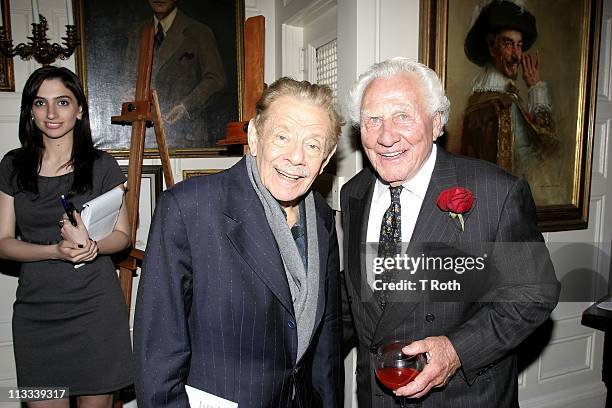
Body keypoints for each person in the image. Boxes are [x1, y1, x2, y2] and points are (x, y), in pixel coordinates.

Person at [341, 57, 560, 407]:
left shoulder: (496, 192)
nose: (386, 136)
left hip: (461, 397)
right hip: (375, 395)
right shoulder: (354, 193)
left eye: (403, 116)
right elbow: (361, 293)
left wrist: (456, 350)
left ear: (437, 122)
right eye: (373, 119)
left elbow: (533, 294)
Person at [134, 77, 344, 407]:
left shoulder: (322, 217)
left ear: (327, 157)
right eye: (282, 136)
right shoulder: (189, 209)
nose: (296, 157)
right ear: (255, 137)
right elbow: (157, 352)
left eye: (313, 145)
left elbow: (326, 345)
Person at [0, 66, 133, 407]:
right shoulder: (12, 166)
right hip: (36, 315)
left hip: (95, 312)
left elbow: (123, 236)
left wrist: (91, 247)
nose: (52, 113)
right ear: (30, 111)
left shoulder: (103, 165)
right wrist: (55, 252)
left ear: (80, 110)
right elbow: (2, 243)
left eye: (62, 101)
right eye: (40, 103)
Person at [461, 0, 561, 205]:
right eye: (508, 44)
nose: (516, 55)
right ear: (491, 47)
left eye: (519, 45)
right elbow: (547, 144)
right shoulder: (496, 104)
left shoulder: (507, 97)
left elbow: (545, 145)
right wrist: (535, 88)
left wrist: (534, 87)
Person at [133, 0, 227, 148]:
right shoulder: (137, 33)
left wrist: (185, 106)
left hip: (188, 137)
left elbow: (216, 79)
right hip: (144, 139)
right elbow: (128, 78)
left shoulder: (199, 32)